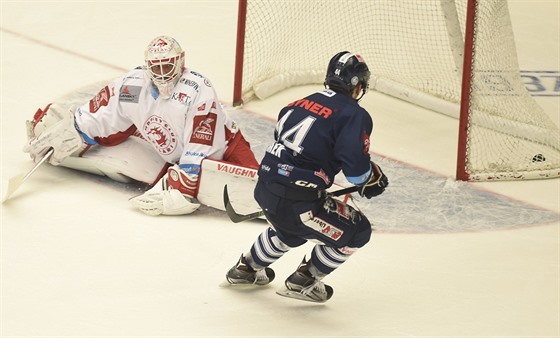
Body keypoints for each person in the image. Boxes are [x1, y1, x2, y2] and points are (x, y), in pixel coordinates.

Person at [23, 35, 259, 215]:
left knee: (261, 194)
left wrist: (185, 180)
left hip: (226, 146)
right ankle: (52, 124)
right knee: (103, 136)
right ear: (148, 66)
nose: (162, 73)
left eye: (168, 66)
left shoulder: (198, 89)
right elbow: (102, 111)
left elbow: (201, 141)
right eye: (156, 67)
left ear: (180, 62)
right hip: (172, 153)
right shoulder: (132, 85)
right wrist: (73, 131)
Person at [224, 51, 388, 303]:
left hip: (265, 187)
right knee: (359, 232)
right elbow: (356, 174)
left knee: (290, 229)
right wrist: (369, 179)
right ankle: (305, 281)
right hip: (299, 203)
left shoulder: (300, 101)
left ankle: (245, 269)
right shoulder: (354, 114)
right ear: (358, 85)